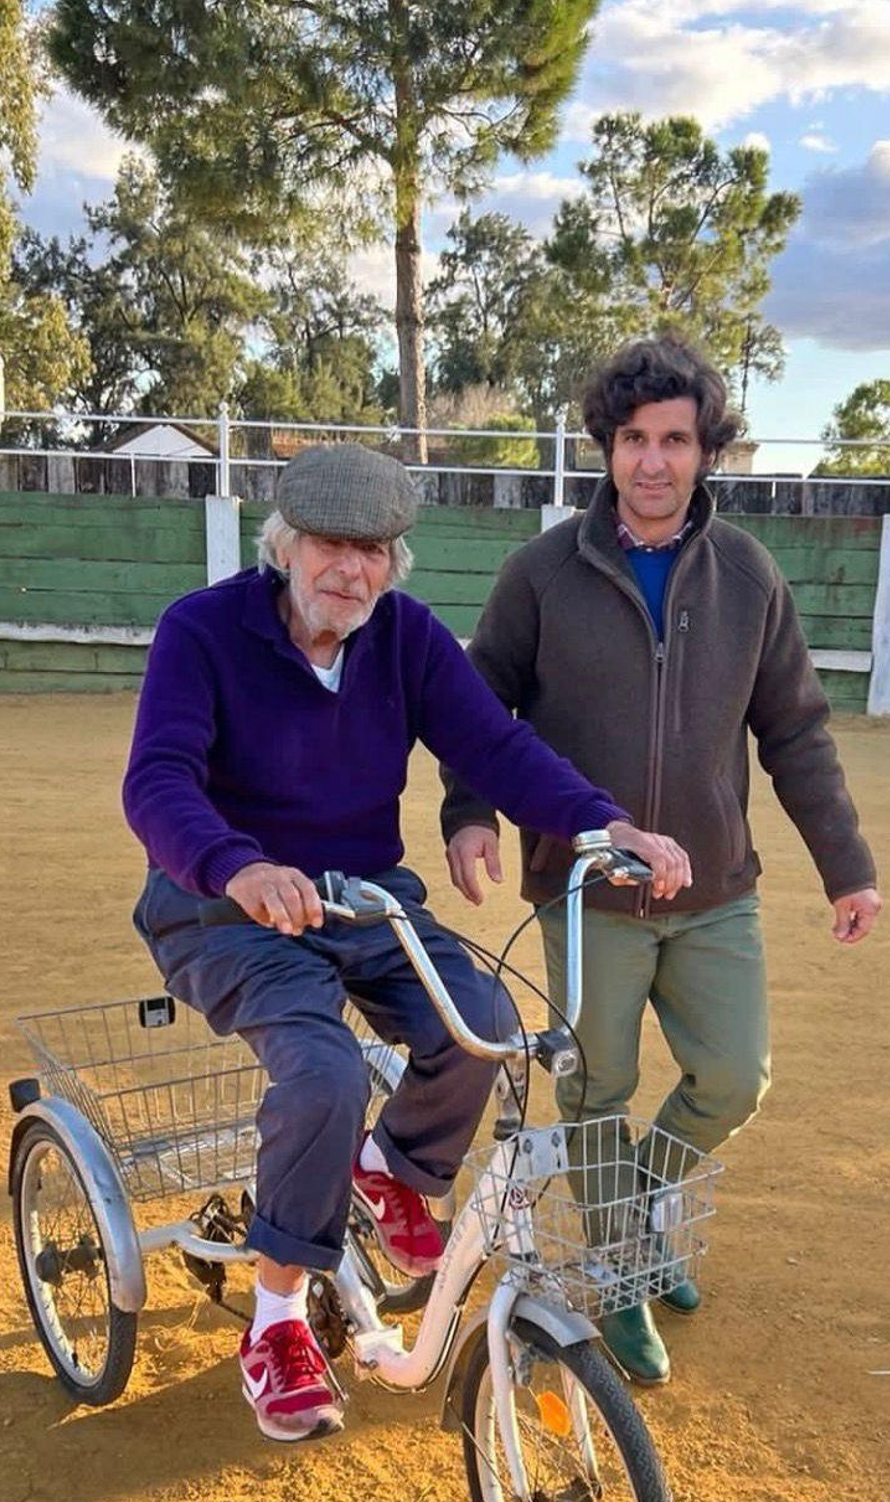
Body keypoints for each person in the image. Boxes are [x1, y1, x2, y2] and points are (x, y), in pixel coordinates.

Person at [123, 442, 689, 1442]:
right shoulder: (201, 633)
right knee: (325, 1072)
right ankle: (279, 1316)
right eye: (333, 546)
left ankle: (393, 1170)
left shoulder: (406, 640)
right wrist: (237, 866)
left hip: (363, 899)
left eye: (376, 550)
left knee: (482, 1023)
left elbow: (498, 748)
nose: (354, 570)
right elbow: (157, 780)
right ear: (286, 544)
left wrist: (606, 827)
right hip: (222, 905)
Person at [442, 335, 881, 1386]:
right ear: (605, 446)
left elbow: (796, 730)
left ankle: (635, 1207)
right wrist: (470, 811)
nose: (651, 461)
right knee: (596, 1091)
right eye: (632, 439)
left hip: (714, 887)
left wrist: (847, 864)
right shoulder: (540, 572)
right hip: (586, 887)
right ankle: (625, 1274)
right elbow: (473, 704)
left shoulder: (747, 575)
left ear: (705, 449)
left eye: (674, 439)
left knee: (735, 1075)